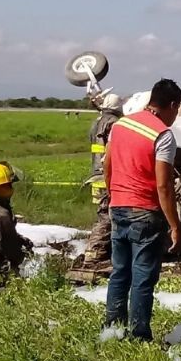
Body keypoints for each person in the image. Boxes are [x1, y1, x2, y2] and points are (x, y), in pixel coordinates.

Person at [103, 79, 181, 341]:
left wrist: (114, 194)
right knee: (142, 277)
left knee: (119, 272)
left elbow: (108, 166)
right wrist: (175, 226)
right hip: (146, 212)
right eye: (177, 110)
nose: (175, 116)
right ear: (171, 105)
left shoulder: (120, 125)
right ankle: (139, 335)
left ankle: (112, 329)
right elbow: (163, 186)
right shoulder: (163, 135)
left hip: (118, 206)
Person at [79, 93, 123, 270]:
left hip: (95, 174)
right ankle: (94, 255)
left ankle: (105, 250)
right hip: (107, 175)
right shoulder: (114, 124)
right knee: (106, 215)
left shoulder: (96, 122)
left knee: (103, 212)